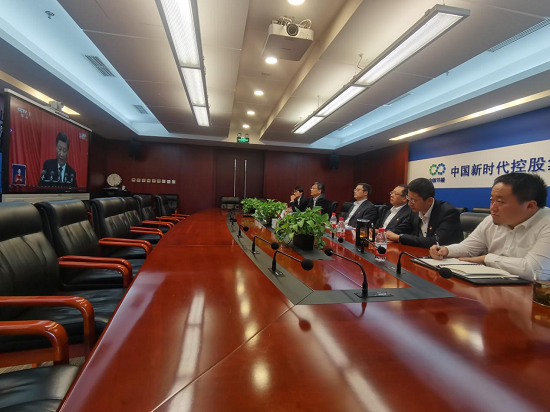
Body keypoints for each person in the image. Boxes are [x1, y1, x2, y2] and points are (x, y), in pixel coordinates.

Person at [429, 173, 550, 280]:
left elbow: (535, 270)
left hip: (534, 294)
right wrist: (446, 250)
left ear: (530, 206)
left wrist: (486, 259)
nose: (493, 208)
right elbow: (468, 248)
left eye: (501, 202)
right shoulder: (491, 220)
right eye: (492, 200)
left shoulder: (546, 223)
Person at [386, 178, 463, 247]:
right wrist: (384, 234)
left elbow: (435, 241)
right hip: (421, 253)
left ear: (429, 200)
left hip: (447, 256)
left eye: (413, 200)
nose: (409, 203)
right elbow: (402, 229)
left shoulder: (448, 212)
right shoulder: (415, 211)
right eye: (409, 198)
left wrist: (400, 238)